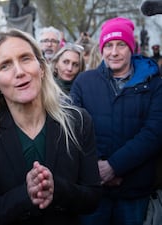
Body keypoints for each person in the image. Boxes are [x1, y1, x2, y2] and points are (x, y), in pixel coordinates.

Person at [0, 28, 102, 225]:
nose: (19, 72)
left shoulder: (78, 121)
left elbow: (93, 197)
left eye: (26, 58)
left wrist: (58, 189)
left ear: (42, 68)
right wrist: (24, 196)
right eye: (5, 65)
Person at [70, 17, 162, 225]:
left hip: (134, 189)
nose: (114, 52)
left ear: (132, 47)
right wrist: (97, 168)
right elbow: (73, 128)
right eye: (108, 45)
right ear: (101, 49)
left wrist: (115, 166)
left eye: (121, 45)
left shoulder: (153, 84)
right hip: (94, 188)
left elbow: (155, 131)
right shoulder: (84, 82)